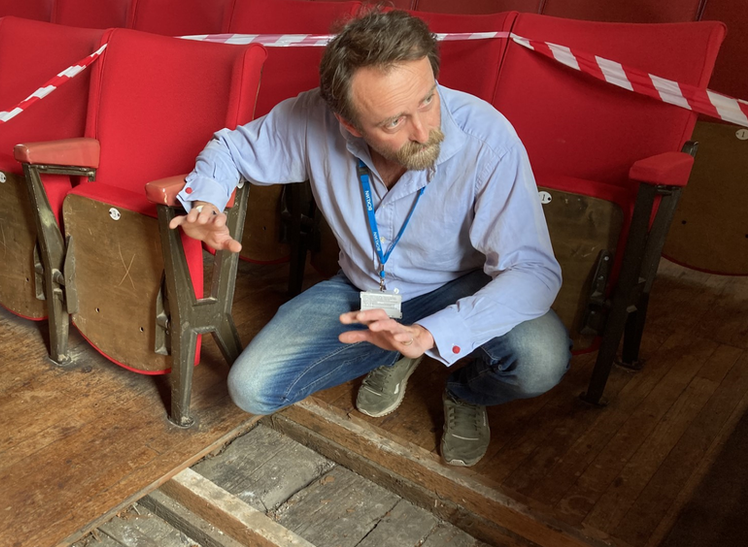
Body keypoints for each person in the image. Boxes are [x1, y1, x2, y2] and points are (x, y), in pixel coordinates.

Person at [170, 10, 571, 467]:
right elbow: (231, 149)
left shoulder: (489, 138)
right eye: (393, 123)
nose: (424, 131)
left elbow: (533, 271)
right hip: (366, 289)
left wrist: (430, 333)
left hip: (460, 285)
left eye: (427, 99)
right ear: (348, 123)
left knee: (540, 359)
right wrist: (205, 203)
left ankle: (464, 390)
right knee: (250, 389)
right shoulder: (313, 118)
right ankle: (391, 354)